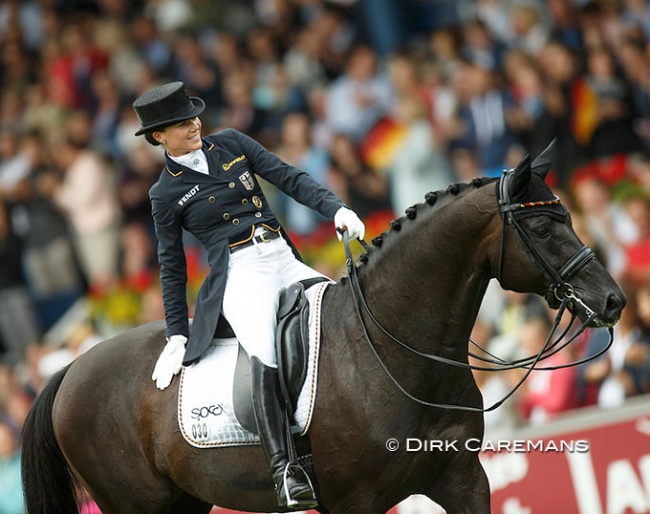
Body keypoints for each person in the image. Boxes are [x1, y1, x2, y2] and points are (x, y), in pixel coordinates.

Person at [132, 81, 365, 510]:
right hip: (239, 271)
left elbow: (287, 176)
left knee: (345, 314)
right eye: (183, 124)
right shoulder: (164, 193)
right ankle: (285, 469)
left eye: (194, 116)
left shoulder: (232, 143)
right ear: (158, 137)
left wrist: (335, 208)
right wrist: (176, 332)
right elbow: (172, 266)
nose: (195, 125)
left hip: (281, 254)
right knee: (263, 349)